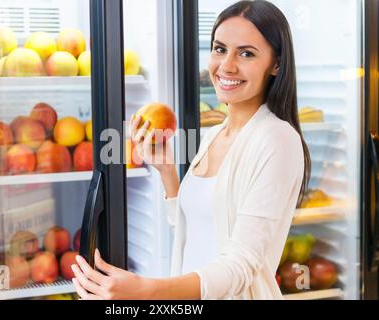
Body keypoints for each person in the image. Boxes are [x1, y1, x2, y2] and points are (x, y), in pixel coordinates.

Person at [71, 0, 310, 300]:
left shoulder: (277, 139)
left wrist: (146, 291)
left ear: (276, 64)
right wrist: (168, 172)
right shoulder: (214, 134)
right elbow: (199, 229)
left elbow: (240, 265)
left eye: (246, 53)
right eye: (220, 49)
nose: (226, 66)